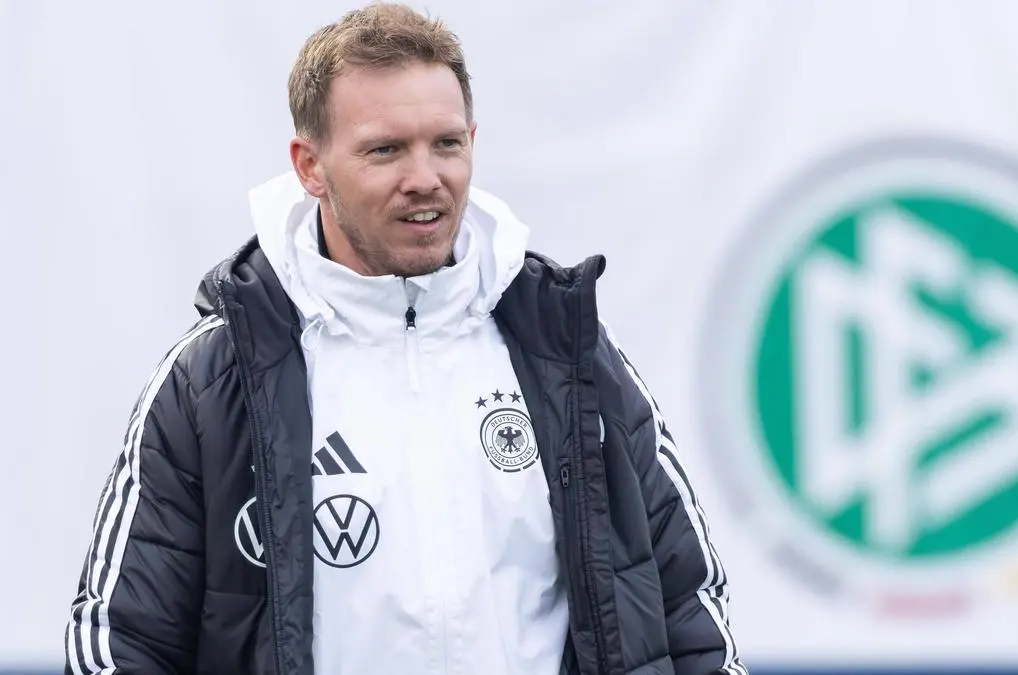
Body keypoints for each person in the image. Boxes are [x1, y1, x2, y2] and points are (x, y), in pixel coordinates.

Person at [63, 3, 747, 674]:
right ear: (310, 166)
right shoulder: (213, 379)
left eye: (446, 144)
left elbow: (689, 608)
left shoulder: (567, 348)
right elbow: (119, 642)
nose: (425, 179)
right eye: (385, 150)